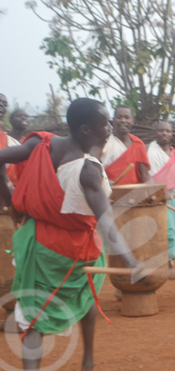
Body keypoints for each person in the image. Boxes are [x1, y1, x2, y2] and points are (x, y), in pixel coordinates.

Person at [0, 98, 142, 370]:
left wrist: (10, 202)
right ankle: (87, 361)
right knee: (86, 294)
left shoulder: (42, 143)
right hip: (76, 248)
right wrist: (132, 261)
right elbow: (107, 223)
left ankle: (82, 361)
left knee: (34, 312)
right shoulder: (88, 170)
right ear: (86, 130)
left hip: (37, 242)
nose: (110, 127)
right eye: (105, 124)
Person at [147, 121, 175, 268]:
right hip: (155, 197)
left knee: (171, 230)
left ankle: (170, 262)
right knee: (159, 229)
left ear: (172, 134)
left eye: (168, 131)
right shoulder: (149, 150)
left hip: (172, 198)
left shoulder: (174, 154)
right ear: (155, 132)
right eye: (161, 130)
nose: (165, 133)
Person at [96, 105, 150, 184]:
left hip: (133, 193)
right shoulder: (103, 142)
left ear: (132, 121)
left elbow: (145, 175)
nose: (123, 120)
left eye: (127, 117)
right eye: (119, 117)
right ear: (113, 120)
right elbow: (94, 171)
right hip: (108, 192)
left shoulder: (138, 144)